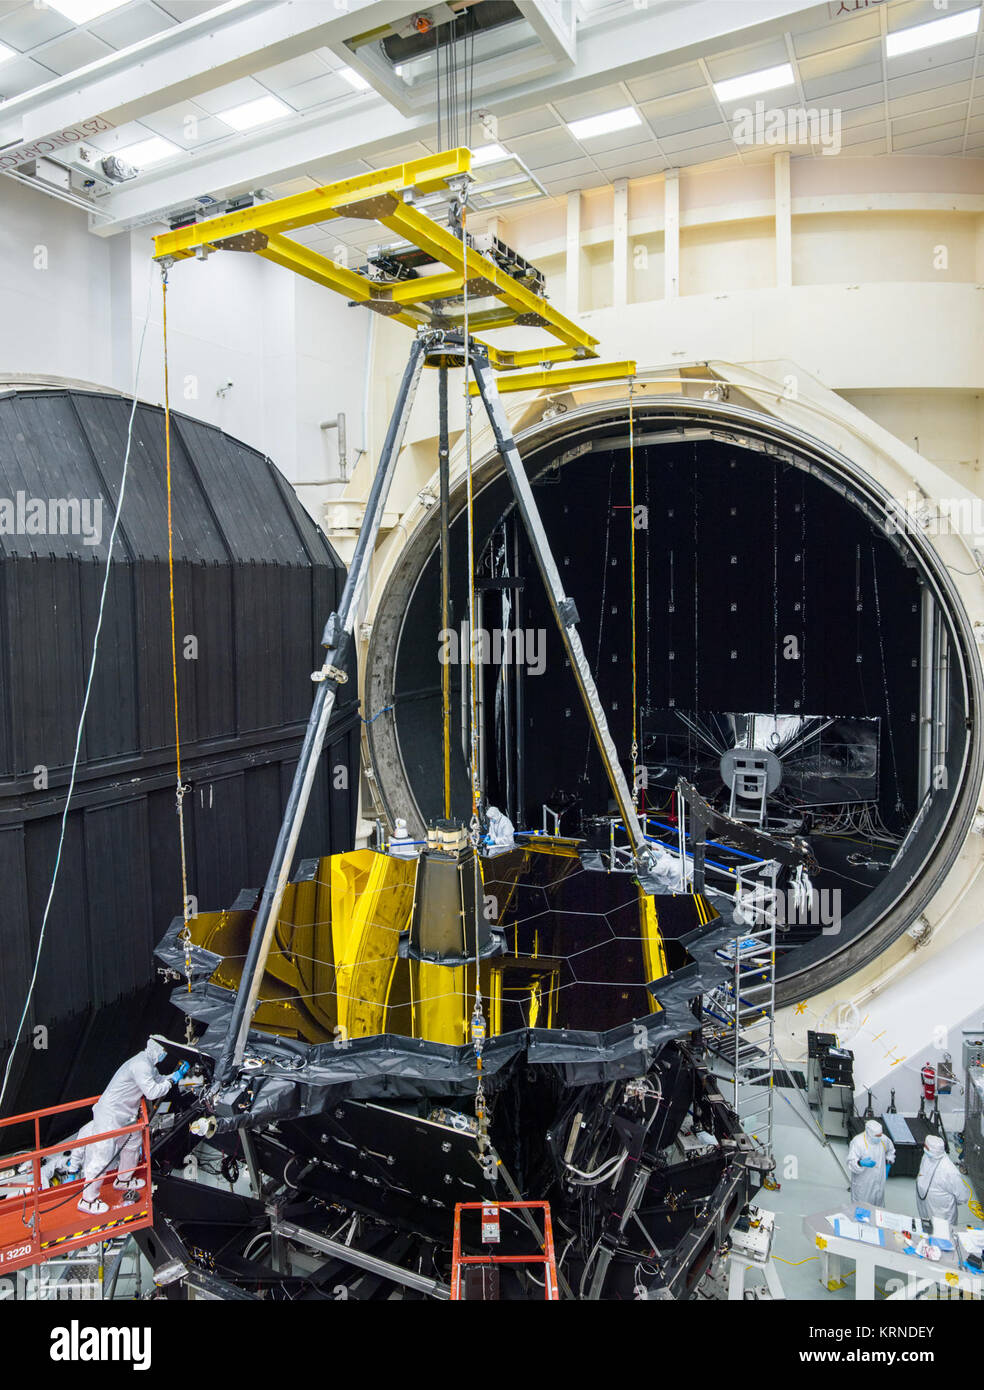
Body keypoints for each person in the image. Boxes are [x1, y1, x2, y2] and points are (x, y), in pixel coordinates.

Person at [76, 1039, 185, 1215]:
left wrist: (174, 1075)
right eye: (164, 1051)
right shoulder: (141, 1065)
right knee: (102, 1156)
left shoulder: (147, 1063)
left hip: (125, 1116)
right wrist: (172, 1082)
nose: (165, 1055)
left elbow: (157, 1080)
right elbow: (152, 1092)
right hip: (110, 1116)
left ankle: (123, 1180)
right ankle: (87, 1200)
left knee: (133, 1143)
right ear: (157, 1050)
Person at [915, 1134, 965, 1225]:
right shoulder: (927, 1156)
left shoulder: (950, 1171)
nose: (924, 1148)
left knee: (942, 1234)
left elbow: (962, 1197)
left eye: (926, 1147)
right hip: (925, 1208)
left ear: (933, 1150)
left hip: (942, 1216)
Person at [847, 1118, 896, 1208]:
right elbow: (851, 1162)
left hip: (879, 1182)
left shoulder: (883, 1139)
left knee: (878, 1209)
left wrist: (889, 1163)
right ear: (869, 1133)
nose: (879, 1137)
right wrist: (860, 1163)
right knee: (861, 1209)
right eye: (876, 1136)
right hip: (864, 1184)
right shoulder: (857, 1142)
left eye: (880, 1135)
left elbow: (891, 1151)